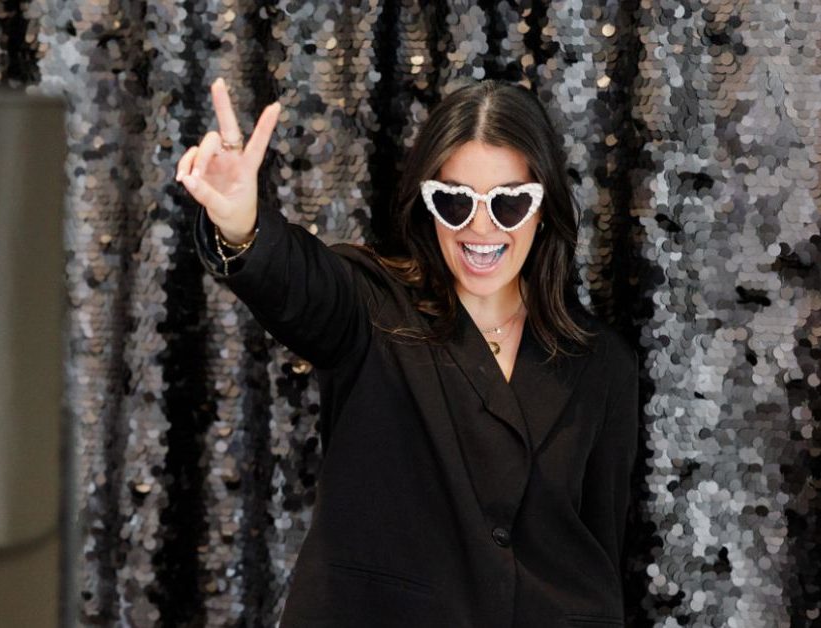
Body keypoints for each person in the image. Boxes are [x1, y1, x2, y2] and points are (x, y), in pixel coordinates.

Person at [175, 77, 640, 628]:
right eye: (455, 200)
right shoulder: (371, 308)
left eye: (510, 202)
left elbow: (597, 552)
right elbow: (298, 283)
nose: (480, 227)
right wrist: (240, 221)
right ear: (429, 203)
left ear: (543, 208)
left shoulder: (600, 363)